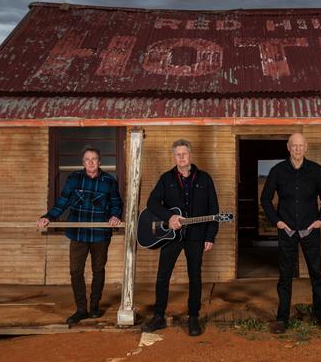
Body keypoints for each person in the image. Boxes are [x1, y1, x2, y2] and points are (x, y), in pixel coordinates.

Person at [37, 146, 123, 325]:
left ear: (99, 162)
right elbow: (62, 202)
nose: (90, 162)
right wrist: (48, 217)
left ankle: (94, 307)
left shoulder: (109, 180)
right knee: (76, 271)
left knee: (98, 271)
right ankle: (81, 309)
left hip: (100, 234)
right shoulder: (74, 178)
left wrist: (115, 216)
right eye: (87, 159)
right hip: (78, 234)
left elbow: (116, 204)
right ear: (83, 162)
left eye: (94, 159)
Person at [142, 139, 219, 337]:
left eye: (184, 154)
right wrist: (170, 216)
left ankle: (193, 317)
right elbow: (151, 202)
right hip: (171, 237)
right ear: (174, 156)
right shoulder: (166, 178)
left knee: (195, 277)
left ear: (190, 155)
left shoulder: (205, 179)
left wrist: (210, 236)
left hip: (196, 236)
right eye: (178, 154)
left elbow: (214, 211)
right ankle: (158, 316)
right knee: (163, 276)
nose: (181, 157)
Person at [260, 132, 321, 334]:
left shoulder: (316, 170)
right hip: (288, 231)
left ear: (306, 147)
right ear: (288, 147)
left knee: (316, 274)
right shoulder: (278, 171)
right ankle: (282, 318)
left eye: (301, 145)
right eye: (294, 145)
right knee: (285, 276)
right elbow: (265, 199)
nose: (298, 149)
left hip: (310, 230)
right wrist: (277, 221)